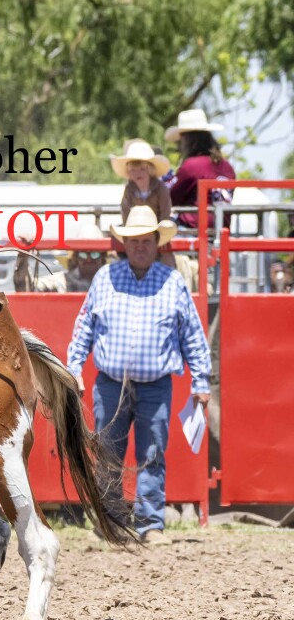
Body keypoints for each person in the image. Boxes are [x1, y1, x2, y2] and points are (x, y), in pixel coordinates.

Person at [66, 205, 211, 545]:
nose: (141, 246)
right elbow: (84, 327)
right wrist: (74, 369)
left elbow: (192, 334)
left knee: (152, 454)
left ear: (157, 243)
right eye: (134, 241)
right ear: (125, 244)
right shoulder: (105, 278)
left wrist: (201, 380)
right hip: (110, 383)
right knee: (107, 452)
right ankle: (110, 522)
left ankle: (150, 525)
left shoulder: (172, 282)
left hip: (155, 386)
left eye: (147, 240)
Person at [166, 109, 236, 230]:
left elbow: (170, 198)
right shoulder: (227, 166)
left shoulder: (191, 166)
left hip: (193, 229)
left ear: (187, 139)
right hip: (222, 229)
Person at [112, 138, 175, 268]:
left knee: (167, 259)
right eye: (133, 170)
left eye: (141, 169)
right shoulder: (129, 190)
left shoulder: (161, 188)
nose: (137, 173)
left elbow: (165, 213)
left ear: (150, 170)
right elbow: (125, 213)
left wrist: (162, 234)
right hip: (134, 232)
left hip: (156, 232)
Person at [13, 222, 108, 292]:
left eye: (94, 254)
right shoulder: (62, 281)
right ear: (76, 257)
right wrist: (23, 255)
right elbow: (27, 289)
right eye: (83, 254)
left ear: (102, 257)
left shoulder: (110, 283)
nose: (88, 259)